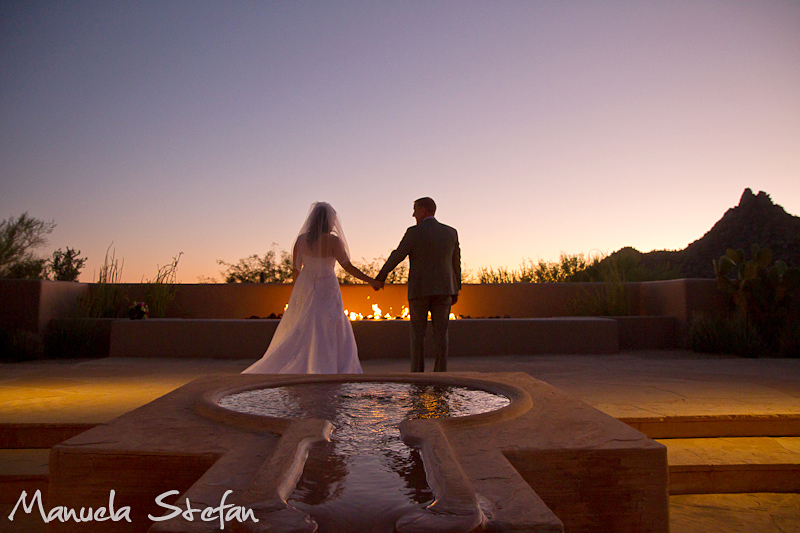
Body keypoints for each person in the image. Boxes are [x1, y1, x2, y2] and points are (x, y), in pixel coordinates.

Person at [243, 202, 381, 374]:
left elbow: (295, 269)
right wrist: (371, 281)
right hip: (327, 286)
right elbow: (348, 267)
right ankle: (329, 366)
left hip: (306, 285)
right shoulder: (333, 241)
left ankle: (309, 363)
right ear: (328, 221)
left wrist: (299, 291)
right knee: (328, 323)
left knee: (307, 323)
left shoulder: (301, 241)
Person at [375, 197, 460, 372]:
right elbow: (456, 263)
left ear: (424, 210)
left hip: (419, 291)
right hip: (444, 290)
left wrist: (381, 276)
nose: (413, 214)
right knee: (441, 335)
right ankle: (440, 376)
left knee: (417, 336)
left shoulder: (413, 232)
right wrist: (456, 289)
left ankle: (417, 377)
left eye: (415, 209)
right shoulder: (451, 233)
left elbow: (398, 255)